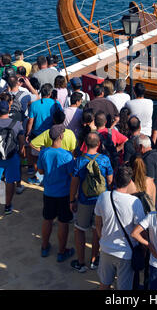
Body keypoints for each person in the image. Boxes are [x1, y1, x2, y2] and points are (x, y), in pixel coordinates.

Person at [94, 165, 146, 290]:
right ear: (130, 182)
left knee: (104, 284)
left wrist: (103, 238)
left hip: (106, 248)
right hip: (125, 253)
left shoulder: (104, 197)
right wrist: (143, 249)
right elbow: (141, 231)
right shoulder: (135, 202)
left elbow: (97, 223)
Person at [70, 132, 113, 272]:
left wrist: (72, 200)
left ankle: (81, 262)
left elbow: (74, 183)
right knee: (97, 230)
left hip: (84, 200)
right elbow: (111, 181)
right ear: (99, 144)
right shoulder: (105, 160)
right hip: (101, 201)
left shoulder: (79, 161)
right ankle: (94, 260)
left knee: (80, 230)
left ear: (85, 145)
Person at [37, 124, 75, 261]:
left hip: (48, 193)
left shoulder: (44, 152)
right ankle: (61, 251)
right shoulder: (67, 155)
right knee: (63, 222)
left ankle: (45, 246)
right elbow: (72, 175)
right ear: (61, 136)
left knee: (47, 219)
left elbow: (40, 171)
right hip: (64, 194)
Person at [26, 84, 63, 185]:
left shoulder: (34, 105)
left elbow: (30, 121)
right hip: (51, 135)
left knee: (36, 157)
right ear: (50, 93)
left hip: (36, 134)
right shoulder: (56, 104)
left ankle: (38, 175)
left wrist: (28, 133)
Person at [0, 99, 25, 215]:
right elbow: (21, 141)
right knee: (10, 182)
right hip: (12, 156)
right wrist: (21, 150)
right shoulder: (16, 124)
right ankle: (7, 206)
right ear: (8, 109)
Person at [136, 134, 157, 201]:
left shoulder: (148, 159)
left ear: (141, 147)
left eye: (135, 148)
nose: (135, 151)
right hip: (156, 195)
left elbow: (149, 181)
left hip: (150, 199)